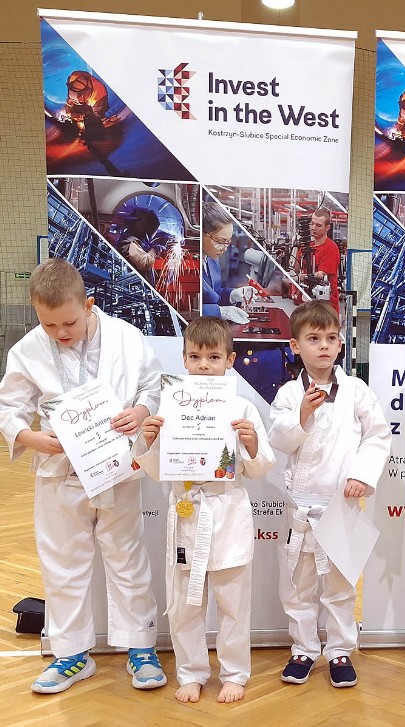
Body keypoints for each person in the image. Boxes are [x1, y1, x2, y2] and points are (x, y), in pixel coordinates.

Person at [0, 258, 166, 694]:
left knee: (127, 557)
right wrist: (32, 438)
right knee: (63, 563)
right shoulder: (28, 349)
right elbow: (9, 407)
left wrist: (141, 410)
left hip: (116, 468)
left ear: (88, 304)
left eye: (69, 322)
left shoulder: (126, 337)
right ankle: (72, 654)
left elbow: (152, 385)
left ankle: (141, 647)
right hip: (60, 472)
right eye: (49, 324)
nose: (60, 332)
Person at [134, 317, 274, 704]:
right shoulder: (170, 406)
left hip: (227, 511)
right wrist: (149, 440)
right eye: (195, 357)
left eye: (213, 357)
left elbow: (261, 467)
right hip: (187, 513)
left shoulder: (242, 407)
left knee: (233, 604)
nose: (204, 365)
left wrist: (251, 443)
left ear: (230, 360)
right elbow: (157, 470)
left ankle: (234, 673)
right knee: (185, 605)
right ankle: (192, 672)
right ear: (183, 359)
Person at [268, 300, 391, 688]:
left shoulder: (356, 391)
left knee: (340, 585)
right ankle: (303, 649)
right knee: (298, 585)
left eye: (331, 338)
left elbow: (378, 436)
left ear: (340, 344)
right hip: (301, 506)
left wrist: (361, 475)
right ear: (295, 346)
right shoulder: (290, 394)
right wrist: (302, 415)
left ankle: (339, 650)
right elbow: (279, 440)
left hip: (341, 502)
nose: (323, 345)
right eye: (313, 338)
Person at [202, 201, 255, 324]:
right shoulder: (190, 266)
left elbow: (213, 295)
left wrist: (232, 295)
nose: (225, 248)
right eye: (220, 241)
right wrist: (219, 312)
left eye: (228, 242)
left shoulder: (212, 261)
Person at [302, 208, 341, 313]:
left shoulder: (331, 248)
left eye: (318, 225)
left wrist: (302, 277)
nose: (313, 228)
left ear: (327, 228)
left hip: (326, 306)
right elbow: (295, 269)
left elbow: (320, 276)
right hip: (307, 301)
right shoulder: (306, 247)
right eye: (312, 224)